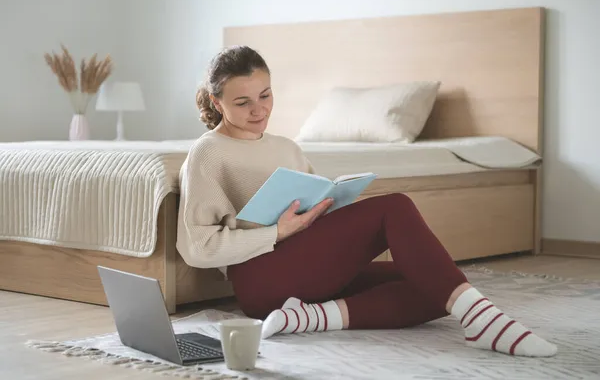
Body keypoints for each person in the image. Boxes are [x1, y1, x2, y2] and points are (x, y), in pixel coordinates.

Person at [176, 45, 557, 358]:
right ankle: (483, 321)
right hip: (259, 280)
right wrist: (277, 231)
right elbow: (196, 247)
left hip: (305, 270)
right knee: (394, 206)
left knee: (439, 287)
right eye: (243, 102)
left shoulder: (287, 148)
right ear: (216, 101)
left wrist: (330, 207)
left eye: (266, 95)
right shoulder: (209, 153)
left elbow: (313, 212)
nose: (259, 110)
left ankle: (307, 318)